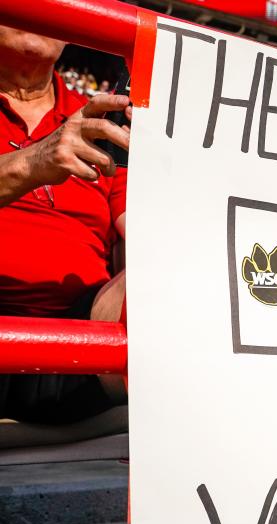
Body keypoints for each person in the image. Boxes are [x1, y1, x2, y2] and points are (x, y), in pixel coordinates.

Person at [0, 26, 131, 424]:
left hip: (80, 344)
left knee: (170, 281)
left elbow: (147, 229)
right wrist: (31, 163)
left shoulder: (98, 120)